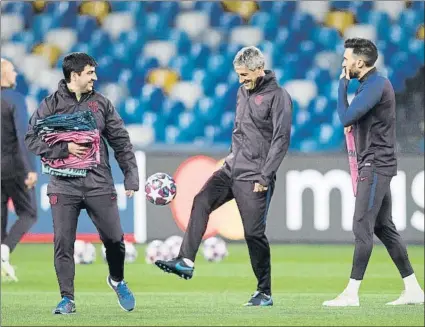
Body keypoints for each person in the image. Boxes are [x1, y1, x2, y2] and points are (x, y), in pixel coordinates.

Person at [155, 46, 292, 306]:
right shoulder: (243, 91)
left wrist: (266, 175)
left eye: (244, 74)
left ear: (258, 68)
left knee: (253, 234)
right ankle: (185, 260)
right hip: (230, 168)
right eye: (238, 75)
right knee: (201, 200)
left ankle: (264, 292)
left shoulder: (278, 96)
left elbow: (281, 139)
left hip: (255, 175)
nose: (241, 80)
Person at [25, 53, 140, 314]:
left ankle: (117, 280)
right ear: (74, 75)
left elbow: (121, 141)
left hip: (99, 184)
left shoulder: (102, 104)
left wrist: (131, 177)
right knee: (63, 243)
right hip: (63, 186)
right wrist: (64, 149)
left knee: (115, 240)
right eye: (90, 73)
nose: (95, 78)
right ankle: (67, 299)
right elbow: (31, 138)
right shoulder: (49, 105)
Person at [323, 38, 424, 307]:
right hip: (377, 162)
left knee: (361, 225)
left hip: (376, 163)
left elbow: (345, 117)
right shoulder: (370, 86)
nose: (343, 64)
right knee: (383, 227)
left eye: (346, 59)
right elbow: (353, 119)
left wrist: (341, 85)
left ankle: (351, 294)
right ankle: (413, 289)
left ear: (359, 62)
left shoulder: (376, 84)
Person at [1, 58, 38, 282]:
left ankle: (3, 259)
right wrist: (30, 169)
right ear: (4, 75)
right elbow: (23, 135)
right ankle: (5, 250)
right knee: (29, 212)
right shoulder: (15, 99)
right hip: (13, 167)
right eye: (12, 70)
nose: (15, 74)